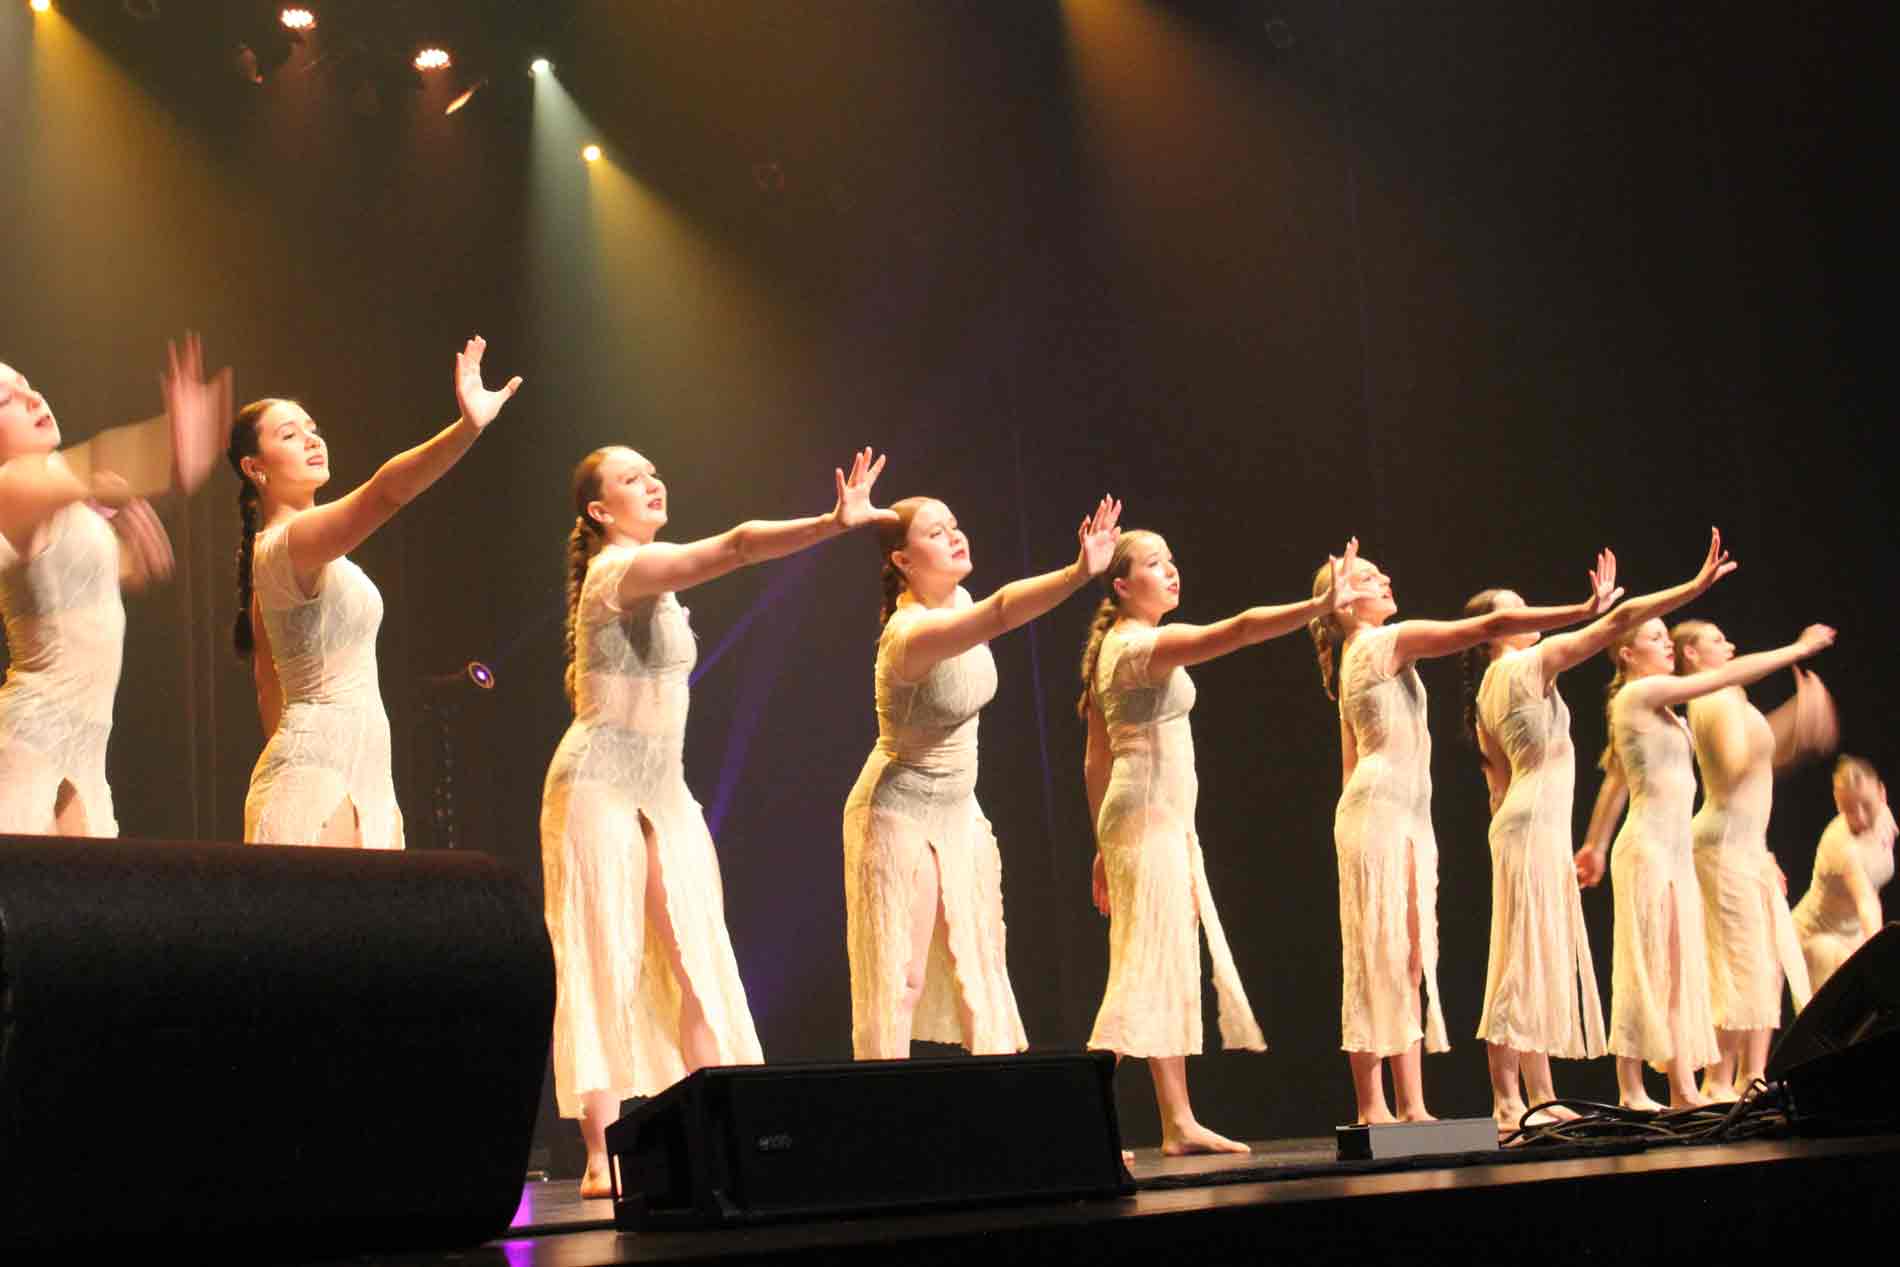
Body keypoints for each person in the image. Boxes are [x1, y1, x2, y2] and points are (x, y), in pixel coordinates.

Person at [544, 444, 896, 1200]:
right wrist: (832, 523)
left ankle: (719, 1134)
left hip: (663, 788)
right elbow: (736, 546)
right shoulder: (616, 570)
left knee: (698, 959)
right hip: (598, 783)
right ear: (599, 511)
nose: (653, 481)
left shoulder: (651, 574)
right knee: (602, 954)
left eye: (653, 471)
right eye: (632, 478)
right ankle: (602, 1154)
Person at [1081, 531, 1371, 1154]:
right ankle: (1078, 1121)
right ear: (1123, 586)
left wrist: (1102, 846)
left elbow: (1094, 759)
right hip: (1147, 820)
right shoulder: (1138, 646)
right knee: (1140, 968)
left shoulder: (1119, 646)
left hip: (1150, 820)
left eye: (1171, 559)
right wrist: (1317, 608)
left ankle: (1177, 1121)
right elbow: (1238, 629)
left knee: (1166, 962)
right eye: (1154, 563)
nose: (1171, 570)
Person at [1310, 548, 1611, 1125]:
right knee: (1377, 955)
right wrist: (1581, 609)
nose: (1386, 577)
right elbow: (1486, 627)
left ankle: (1413, 1107)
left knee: (1409, 959)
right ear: (1344, 604)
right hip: (1378, 811)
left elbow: (1348, 760)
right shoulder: (1377, 642)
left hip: (1401, 813)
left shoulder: (1364, 651)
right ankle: (1373, 1107)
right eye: (1370, 577)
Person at [1462, 531, 1734, 1132]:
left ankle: (1537, 1093)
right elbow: (1618, 622)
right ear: (1496, 631)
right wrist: (1690, 588)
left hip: (1524, 824)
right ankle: (1507, 1102)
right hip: (1532, 825)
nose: (1531, 615)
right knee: (1519, 961)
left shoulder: (1487, 690)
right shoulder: (1525, 665)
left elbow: (1497, 787)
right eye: (1519, 610)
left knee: (1530, 956)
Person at [844, 494, 1121, 1060]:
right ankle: (882, 1110)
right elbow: (1000, 612)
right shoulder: (909, 634)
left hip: (959, 809)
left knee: (982, 973)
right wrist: (1076, 573)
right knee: (901, 980)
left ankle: (999, 1108)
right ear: (902, 560)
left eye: (955, 525)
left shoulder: (960, 600)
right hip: (898, 810)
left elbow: (990, 612)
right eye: (936, 532)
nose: (955, 535)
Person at [227, 336, 521, 847]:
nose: (312, 440)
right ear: (255, 468)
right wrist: (465, 430)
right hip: (318, 776)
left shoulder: (290, 558)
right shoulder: (287, 544)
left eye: (313, 430)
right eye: (290, 435)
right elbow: (386, 492)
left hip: (362, 771)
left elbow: (266, 680)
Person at [1581, 616, 1834, 1110]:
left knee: (1680, 973)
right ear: (1627, 655)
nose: (1667, 645)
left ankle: (1683, 1089)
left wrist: (1593, 845)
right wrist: (1797, 648)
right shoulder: (1637, 695)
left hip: (1674, 850)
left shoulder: (1667, 713)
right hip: (1649, 848)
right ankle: (1631, 1089)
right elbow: (1723, 685)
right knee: (1646, 967)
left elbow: (1616, 776)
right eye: (1656, 638)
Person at [1, 336, 230, 835]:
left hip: (83, 752)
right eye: (6, 400)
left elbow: (72, 589)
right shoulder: (10, 485)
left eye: (28, 386)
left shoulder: (63, 501)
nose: (33, 398)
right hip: (31, 741)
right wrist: (168, 445)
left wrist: (128, 563)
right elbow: (97, 466)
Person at [1672, 620, 1835, 1097]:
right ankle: (1718, 1080)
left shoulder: (1733, 698)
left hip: (1746, 845)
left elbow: (1762, 760)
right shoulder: (1710, 697)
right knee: (1736, 961)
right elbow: (1734, 769)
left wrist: (1799, 720)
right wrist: (1796, 717)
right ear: (1691, 654)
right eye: (1717, 640)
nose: (1730, 644)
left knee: (1765, 961)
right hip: (1722, 845)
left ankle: (1752, 1075)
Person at [1793, 756, 1894, 994]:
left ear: (1882, 793)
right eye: (1849, 809)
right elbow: (1866, 901)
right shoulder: (1839, 844)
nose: (1860, 817)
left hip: (1854, 933)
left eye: (1867, 805)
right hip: (1817, 937)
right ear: (1838, 805)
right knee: (1843, 1002)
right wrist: (1879, 953)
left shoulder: (1884, 815)